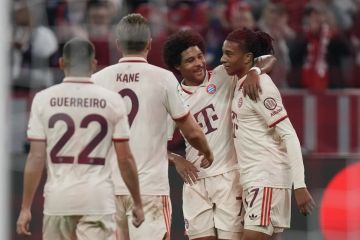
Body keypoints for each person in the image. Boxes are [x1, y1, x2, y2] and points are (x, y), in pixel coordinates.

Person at [91, 13, 214, 240]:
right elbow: (192, 132)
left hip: (105, 190)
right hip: (148, 190)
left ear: (118, 45)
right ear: (149, 43)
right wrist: (207, 151)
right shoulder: (164, 79)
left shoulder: (96, 80)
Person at [16, 38, 144, 240]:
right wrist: (137, 201)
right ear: (94, 64)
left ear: (61, 63)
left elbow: (35, 158)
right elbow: (125, 158)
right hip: (97, 200)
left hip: (58, 200)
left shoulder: (43, 99)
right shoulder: (112, 100)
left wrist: (25, 208)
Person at [163, 29, 276, 240]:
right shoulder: (173, 98)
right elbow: (151, 145)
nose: (198, 63)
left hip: (228, 176)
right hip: (195, 181)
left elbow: (268, 59)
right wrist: (176, 159)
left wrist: (254, 72)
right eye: (190, 60)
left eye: (199, 56)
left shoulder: (223, 75)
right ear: (177, 66)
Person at [221, 28, 315, 240]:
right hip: (255, 178)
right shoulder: (242, 80)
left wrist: (299, 184)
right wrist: (255, 70)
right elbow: (266, 58)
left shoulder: (259, 86)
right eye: (223, 52)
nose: (222, 59)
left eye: (228, 54)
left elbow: (289, 135)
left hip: (265, 178)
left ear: (247, 58)